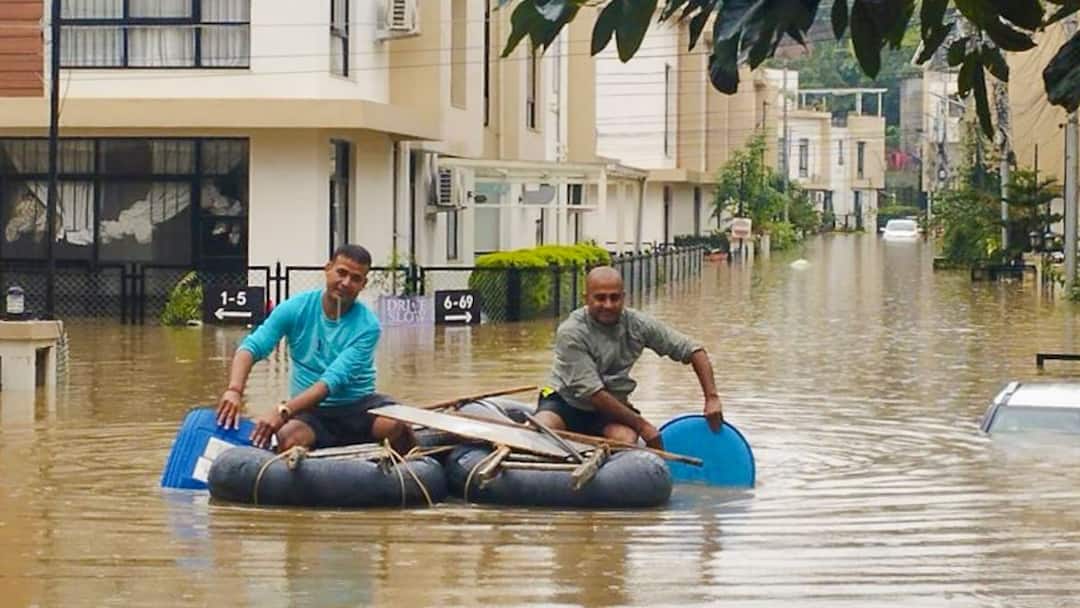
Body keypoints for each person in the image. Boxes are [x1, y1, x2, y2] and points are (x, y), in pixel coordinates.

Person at [215, 244, 415, 454]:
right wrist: (234, 390)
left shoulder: (368, 326)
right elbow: (251, 347)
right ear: (327, 269)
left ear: (363, 284)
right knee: (288, 437)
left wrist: (283, 411)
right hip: (311, 412)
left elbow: (330, 382)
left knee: (393, 424)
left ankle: (408, 472)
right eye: (341, 273)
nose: (346, 283)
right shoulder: (295, 308)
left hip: (359, 407)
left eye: (355, 278)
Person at [534, 266, 723, 449]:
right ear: (586, 299)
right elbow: (594, 394)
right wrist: (643, 425)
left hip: (609, 407)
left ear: (624, 298)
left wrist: (712, 397)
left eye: (614, 298)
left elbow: (694, 350)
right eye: (600, 298)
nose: (608, 305)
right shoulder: (571, 332)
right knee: (544, 427)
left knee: (626, 440)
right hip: (566, 402)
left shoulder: (637, 325)